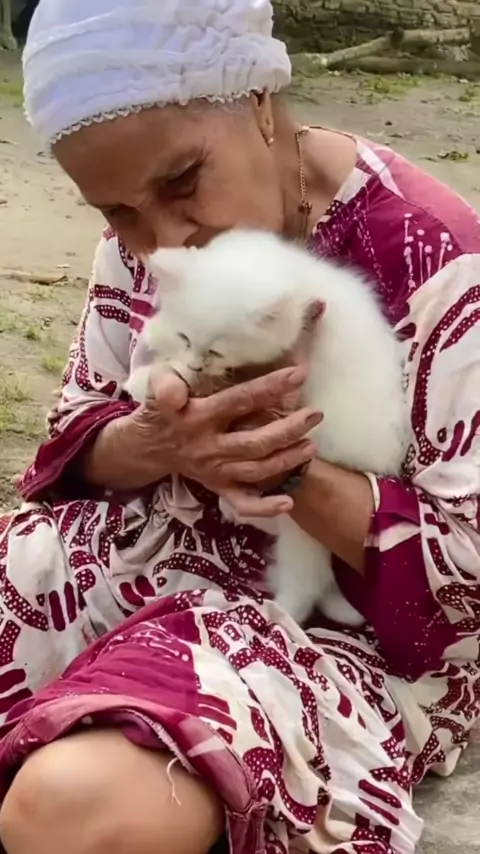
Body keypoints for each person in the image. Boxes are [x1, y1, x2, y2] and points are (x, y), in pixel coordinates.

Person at [0, 0, 478, 852]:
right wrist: (161, 442)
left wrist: (283, 465)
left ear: (258, 99)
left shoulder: (438, 262)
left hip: (331, 625)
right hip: (141, 552)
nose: (163, 238)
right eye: (118, 213)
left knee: (76, 808)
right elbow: (78, 433)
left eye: (182, 183)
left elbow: (466, 582)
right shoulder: (158, 245)